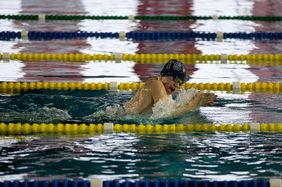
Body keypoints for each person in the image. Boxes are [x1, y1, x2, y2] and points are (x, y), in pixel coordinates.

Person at [124, 59, 217, 117]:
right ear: (164, 75)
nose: (177, 85)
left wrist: (196, 101)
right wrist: (195, 102)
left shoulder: (157, 88)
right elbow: (167, 114)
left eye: (180, 83)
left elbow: (172, 109)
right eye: (174, 79)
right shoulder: (156, 84)